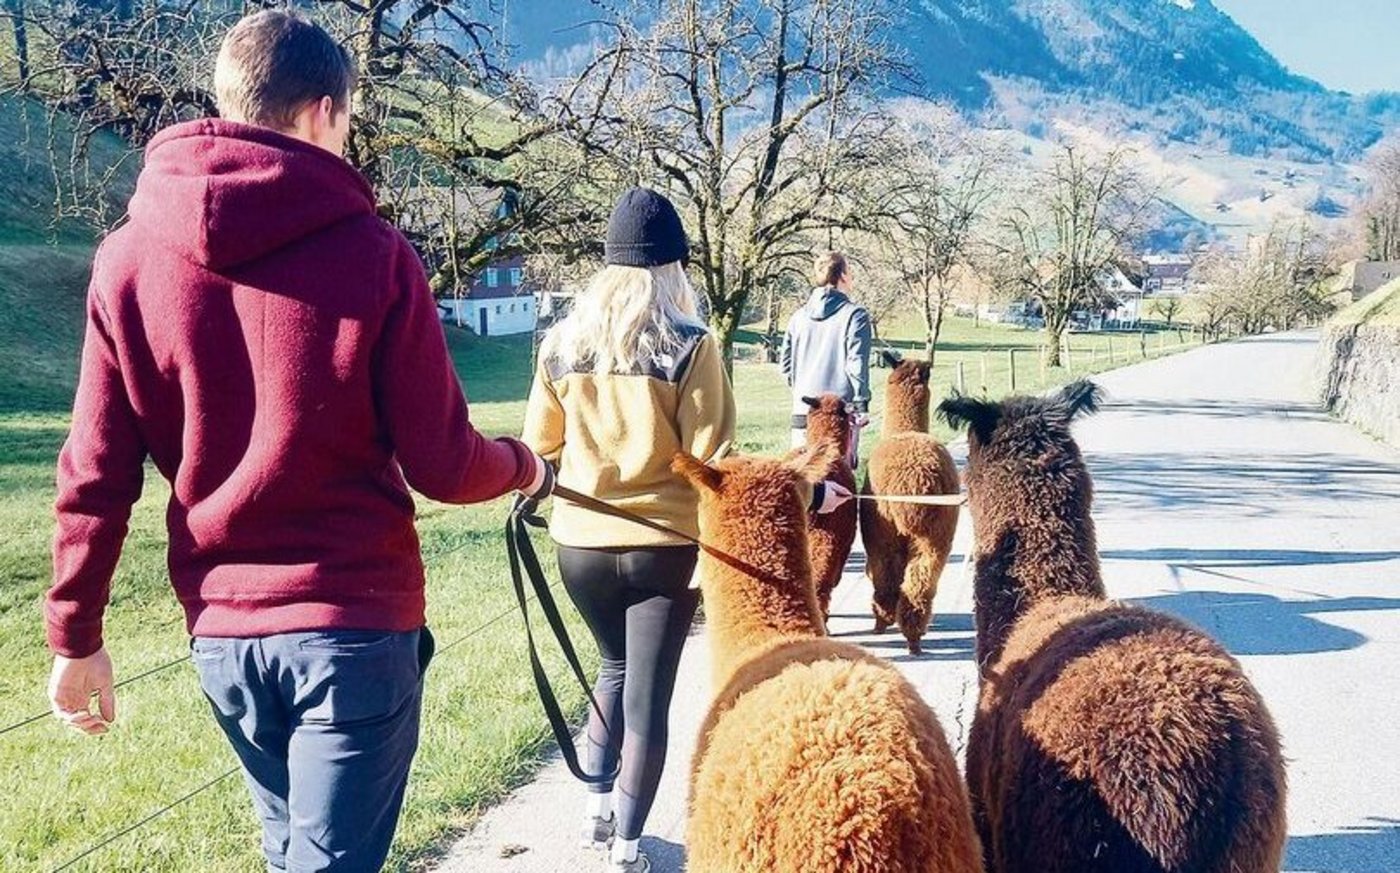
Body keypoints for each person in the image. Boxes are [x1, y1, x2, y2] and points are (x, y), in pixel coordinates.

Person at [43, 11, 552, 872]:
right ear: (324, 112)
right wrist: (525, 464)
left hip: (224, 640)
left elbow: (95, 467)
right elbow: (442, 460)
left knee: (296, 856)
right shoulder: (376, 254)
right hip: (353, 626)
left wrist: (75, 634)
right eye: (348, 121)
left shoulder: (126, 259)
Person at [522, 188, 850, 872]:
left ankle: (594, 811)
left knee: (610, 668)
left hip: (579, 545)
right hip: (663, 549)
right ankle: (628, 849)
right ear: (673, 268)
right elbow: (714, 459)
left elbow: (539, 447)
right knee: (648, 695)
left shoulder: (558, 344)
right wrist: (812, 490)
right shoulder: (690, 344)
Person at [780, 251, 873, 465]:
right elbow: (856, 362)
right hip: (838, 416)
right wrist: (861, 404)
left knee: (801, 482)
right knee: (838, 481)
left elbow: (785, 366)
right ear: (842, 276)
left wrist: (801, 390)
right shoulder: (855, 316)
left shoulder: (797, 317)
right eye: (850, 272)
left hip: (803, 411)